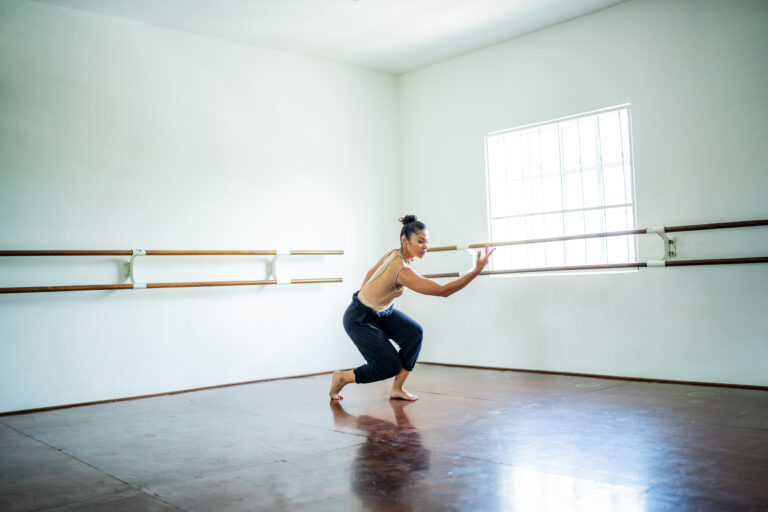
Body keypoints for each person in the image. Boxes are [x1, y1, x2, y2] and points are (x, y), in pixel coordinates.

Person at [329, 214, 495, 401]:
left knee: (413, 333)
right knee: (389, 366)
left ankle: (397, 389)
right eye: (420, 241)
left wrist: (370, 297)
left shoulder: (394, 253)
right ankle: (342, 377)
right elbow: (443, 291)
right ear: (404, 240)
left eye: (427, 242)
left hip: (382, 312)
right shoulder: (402, 269)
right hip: (359, 318)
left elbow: (369, 273)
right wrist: (476, 271)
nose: (426, 247)